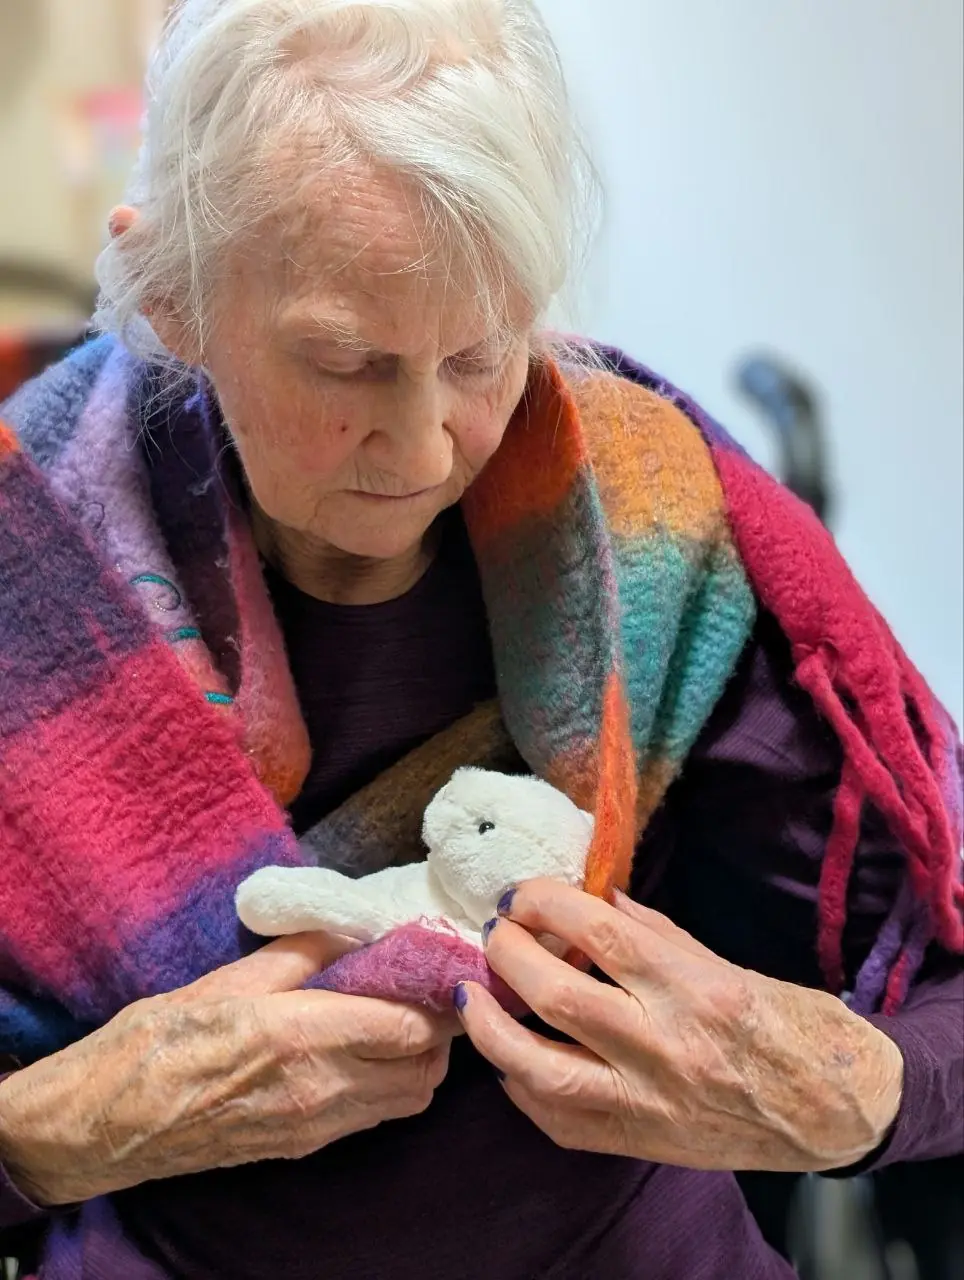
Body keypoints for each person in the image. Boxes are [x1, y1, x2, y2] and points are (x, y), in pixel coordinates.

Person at [0, 2, 960, 1277]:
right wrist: (47, 1135)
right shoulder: (33, 565)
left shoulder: (648, 530)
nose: (427, 446)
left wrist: (862, 1092)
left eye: (481, 349)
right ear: (171, 298)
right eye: (346, 362)